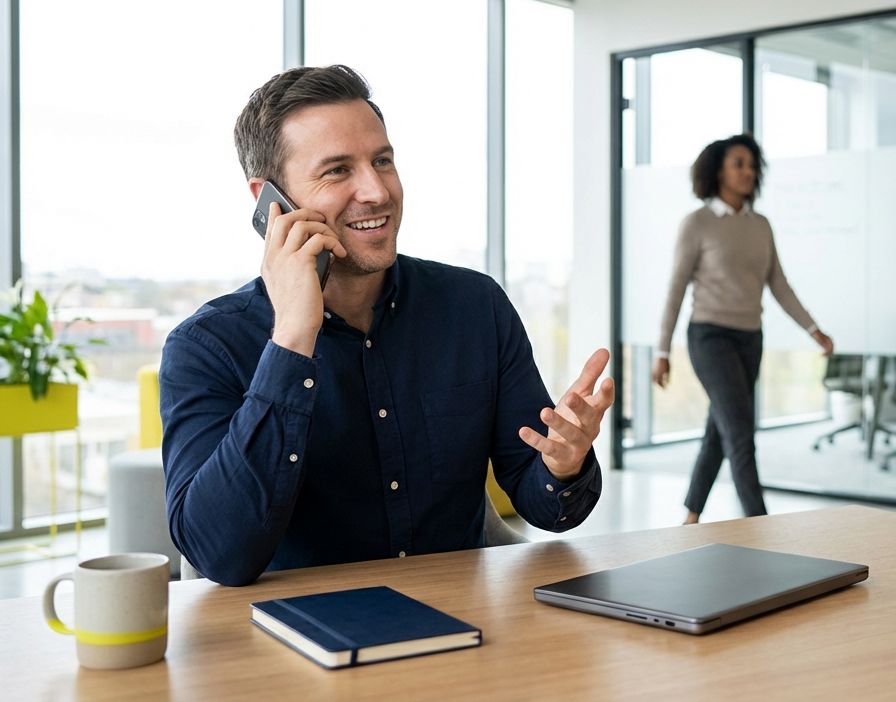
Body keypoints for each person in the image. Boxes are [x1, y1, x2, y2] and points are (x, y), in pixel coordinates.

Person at [160, 65, 612, 586]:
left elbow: (543, 504)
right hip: (292, 645)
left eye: (383, 161)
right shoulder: (206, 346)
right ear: (270, 200)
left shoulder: (474, 306)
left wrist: (564, 465)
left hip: (462, 628)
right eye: (337, 171)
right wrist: (292, 339)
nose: (375, 191)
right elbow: (219, 556)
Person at [654, 134, 833, 524]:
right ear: (718, 170)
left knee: (720, 430)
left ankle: (690, 516)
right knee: (740, 431)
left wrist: (813, 329)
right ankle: (760, 524)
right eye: (739, 164)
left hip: (750, 338)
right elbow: (676, 288)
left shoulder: (760, 226)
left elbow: (779, 285)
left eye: (752, 165)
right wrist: (661, 351)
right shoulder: (697, 223)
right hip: (709, 336)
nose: (748, 172)